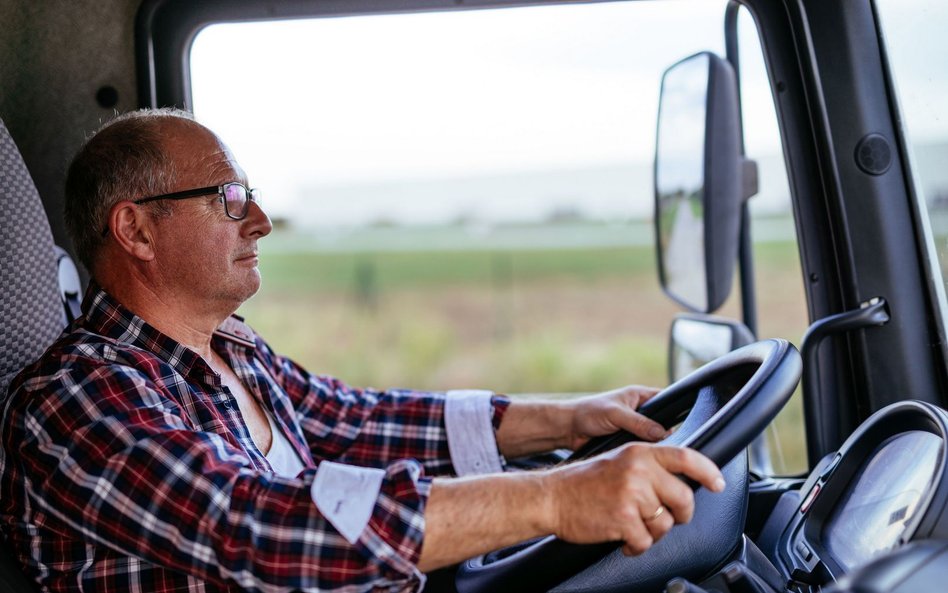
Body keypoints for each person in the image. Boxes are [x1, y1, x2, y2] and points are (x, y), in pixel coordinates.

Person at [0, 108, 725, 593]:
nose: (260, 220)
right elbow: (259, 524)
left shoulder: (232, 353)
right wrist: (556, 497)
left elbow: (356, 419)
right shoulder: (73, 402)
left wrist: (568, 420)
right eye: (227, 197)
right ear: (136, 231)